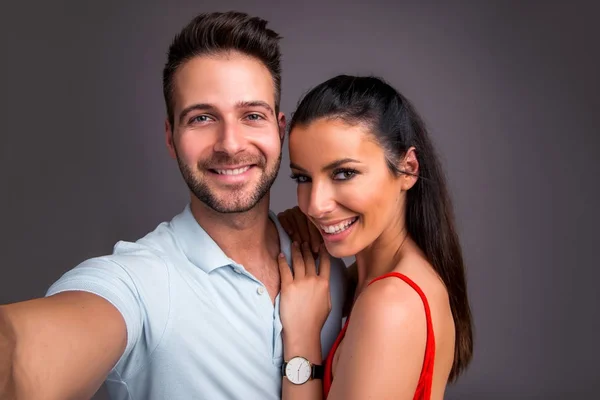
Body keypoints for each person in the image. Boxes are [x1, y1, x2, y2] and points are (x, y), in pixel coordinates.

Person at [0, 11, 348, 400]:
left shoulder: (325, 253)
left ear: (279, 130)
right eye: (202, 118)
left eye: (252, 115)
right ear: (171, 137)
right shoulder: (138, 281)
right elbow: (19, 353)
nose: (231, 144)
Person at [275, 75, 474, 399]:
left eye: (344, 173)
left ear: (407, 169)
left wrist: (301, 341)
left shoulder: (390, 305)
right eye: (303, 177)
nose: (315, 204)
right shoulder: (374, 280)